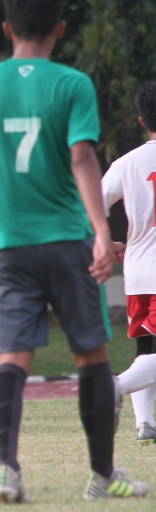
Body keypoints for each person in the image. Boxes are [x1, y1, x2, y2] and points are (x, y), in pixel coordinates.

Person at [0, 0, 147, 502]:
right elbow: (82, 159)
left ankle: (6, 471)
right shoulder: (71, 85)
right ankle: (102, 478)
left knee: (12, 356)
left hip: (6, 243)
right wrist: (102, 229)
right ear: (60, 27)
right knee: (91, 355)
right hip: (66, 239)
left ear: (5, 27)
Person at [102, 80, 156, 444]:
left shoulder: (125, 164)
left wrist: (104, 242)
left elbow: (88, 208)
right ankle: (111, 388)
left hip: (137, 271)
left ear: (140, 120)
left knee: (148, 349)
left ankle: (145, 424)